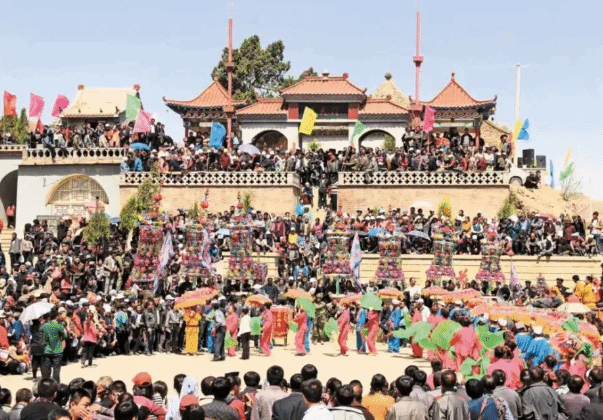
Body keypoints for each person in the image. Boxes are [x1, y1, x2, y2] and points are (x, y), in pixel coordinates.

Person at [41, 308, 66, 382]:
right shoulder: (59, 326)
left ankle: (46, 383)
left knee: (47, 369)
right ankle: (56, 385)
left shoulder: (44, 326)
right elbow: (64, 337)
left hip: (47, 350)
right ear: (57, 316)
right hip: (57, 350)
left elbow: (42, 335)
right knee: (56, 370)